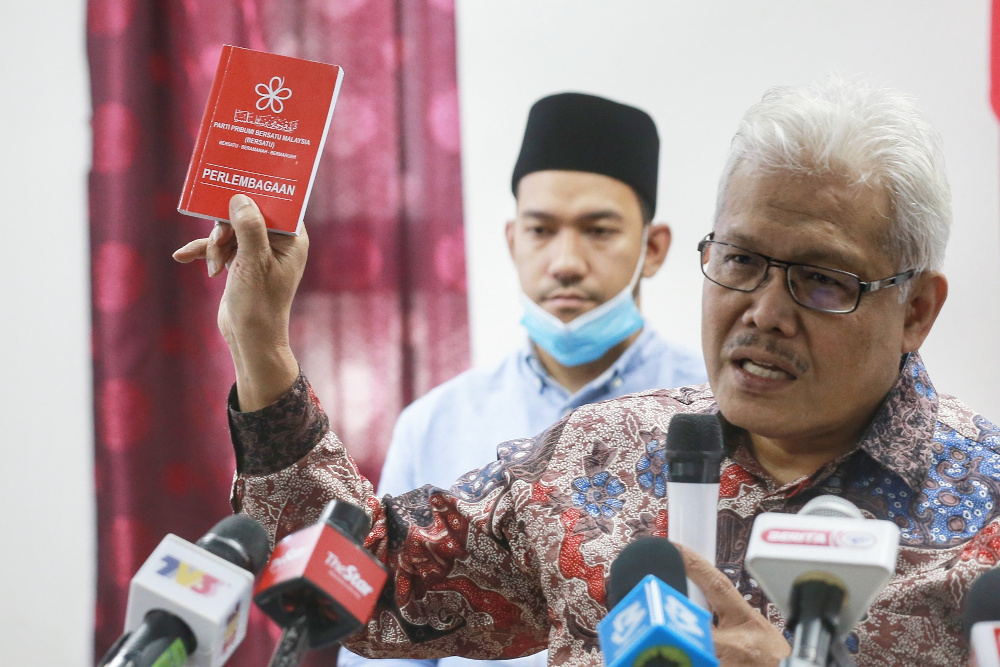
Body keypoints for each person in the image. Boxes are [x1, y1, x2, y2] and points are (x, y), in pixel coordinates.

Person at [174, 77, 1000, 667]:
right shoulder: (601, 452)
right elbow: (364, 580)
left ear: (917, 310)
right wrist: (262, 345)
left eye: (823, 279)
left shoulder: (987, 514)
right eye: (743, 259)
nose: (765, 310)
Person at [341, 93, 705, 667]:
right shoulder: (435, 424)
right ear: (513, 240)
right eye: (541, 230)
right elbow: (382, 644)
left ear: (653, 248)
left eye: (599, 230)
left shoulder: (711, 415)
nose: (564, 261)